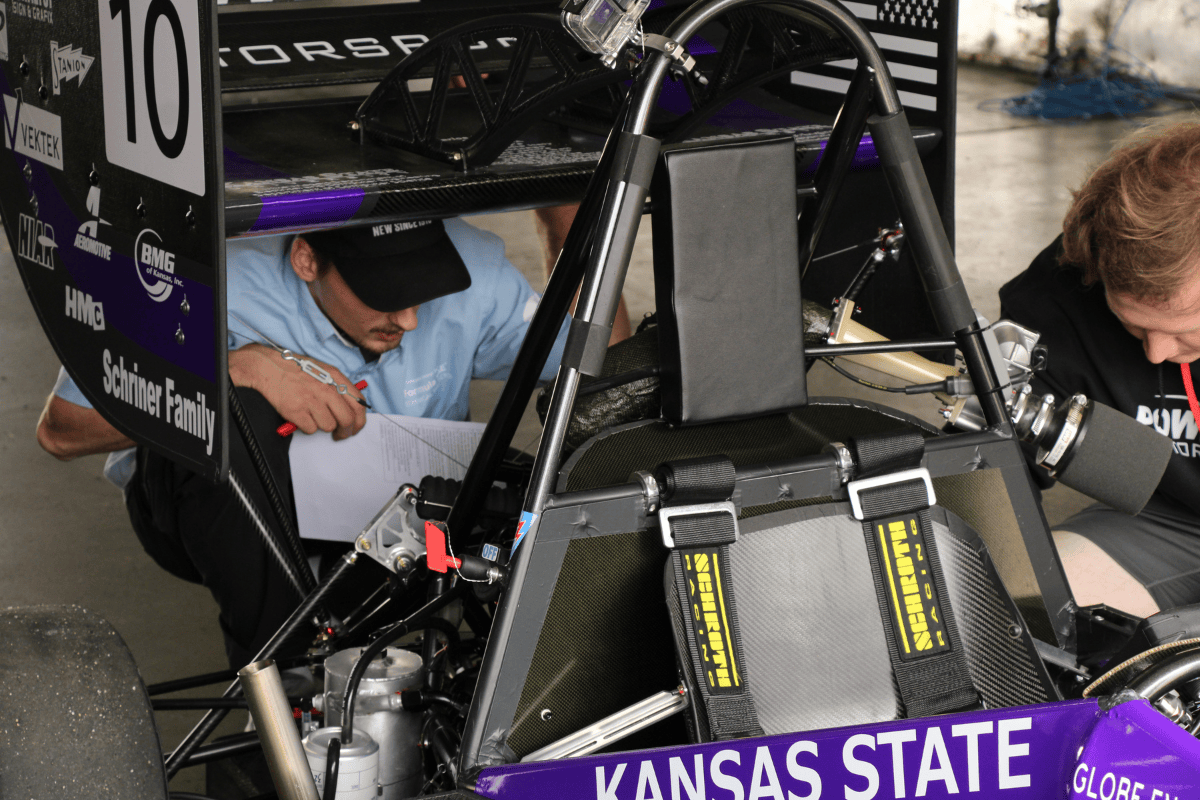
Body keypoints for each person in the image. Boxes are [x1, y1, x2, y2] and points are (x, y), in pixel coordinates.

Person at [37, 217, 575, 668]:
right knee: (234, 415)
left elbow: (595, 366)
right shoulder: (195, 276)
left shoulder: (473, 266)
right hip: (224, 510)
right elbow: (62, 431)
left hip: (403, 513)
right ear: (306, 261)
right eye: (385, 293)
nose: (410, 319)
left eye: (423, 291)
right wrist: (232, 370)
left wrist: (577, 221)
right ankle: (282, 687)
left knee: (553, 486)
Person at [1000, 120, 1200, 618]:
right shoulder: (1057, 296)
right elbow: (996, 469)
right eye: (1134, 326)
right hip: (1174, 521)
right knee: (1018, 613)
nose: (1156, 353)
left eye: (1185, 330)